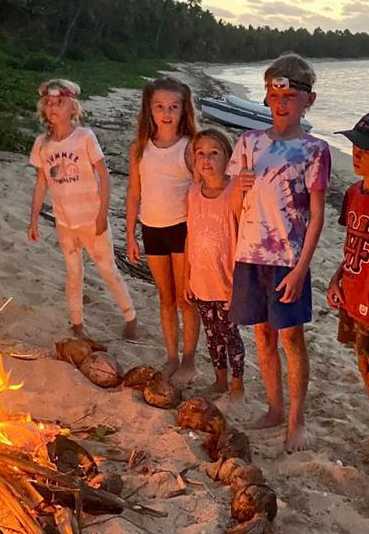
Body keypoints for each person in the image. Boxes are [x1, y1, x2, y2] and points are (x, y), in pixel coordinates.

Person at [227, 52, 331, 452]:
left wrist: (302, 268)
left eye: (290, 96)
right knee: (262, 335)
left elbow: (317, 215)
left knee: (291, 338)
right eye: (274, 96)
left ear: (308, 100)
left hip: (288, 259)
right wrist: (239, 188)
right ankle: (274, 408)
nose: (281, 104)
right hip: (250, 255)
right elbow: (235, 204)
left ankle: (296, 419)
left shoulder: (314, 149)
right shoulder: (249, 143)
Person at [27, 78, 136, 339]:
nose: (53, 107)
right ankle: (77, 323)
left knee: (107, 269)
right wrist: (33, 219)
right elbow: (41, 183)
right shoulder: (42, 144)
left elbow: (104, 176)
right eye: (48, 103)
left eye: (59, 103)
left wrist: (102, 214)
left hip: (91, 219)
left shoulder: (84, 137)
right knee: (73, 272)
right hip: (65, 222)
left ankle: (130, 315)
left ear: (72, 108)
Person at [326, 110, 369, 449]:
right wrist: (337, 278)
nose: (357, 154)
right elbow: (352, 245)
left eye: (367, 149)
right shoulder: (354, 193)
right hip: (353, 294)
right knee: (364, 368)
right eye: (355, 146)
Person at [125, 77, 200, 383]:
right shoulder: (139, 148)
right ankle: (171, 356)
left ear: (184, 110)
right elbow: (134, 193)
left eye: (173, 107)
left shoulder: (190, 147)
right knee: (165, 297)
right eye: (159, 107)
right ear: (149, 109)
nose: (166, 113)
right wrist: (130, 235)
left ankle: (189, 359)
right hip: (151, 228)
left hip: (183, 229)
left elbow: (202, 191)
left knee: (186, 298)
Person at [185, 128, 246, 399]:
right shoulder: (192, 193)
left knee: (230, 333)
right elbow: (190, 235)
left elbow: (243, 238)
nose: (207, 159)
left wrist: (239, 282)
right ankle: (220, 380)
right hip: (201, 280)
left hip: (227, 281)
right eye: (201, 154)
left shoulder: (233, 193)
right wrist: (187, 276)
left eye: (214, 153)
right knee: (211, 335)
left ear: (228, 157)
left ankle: (237, 383)